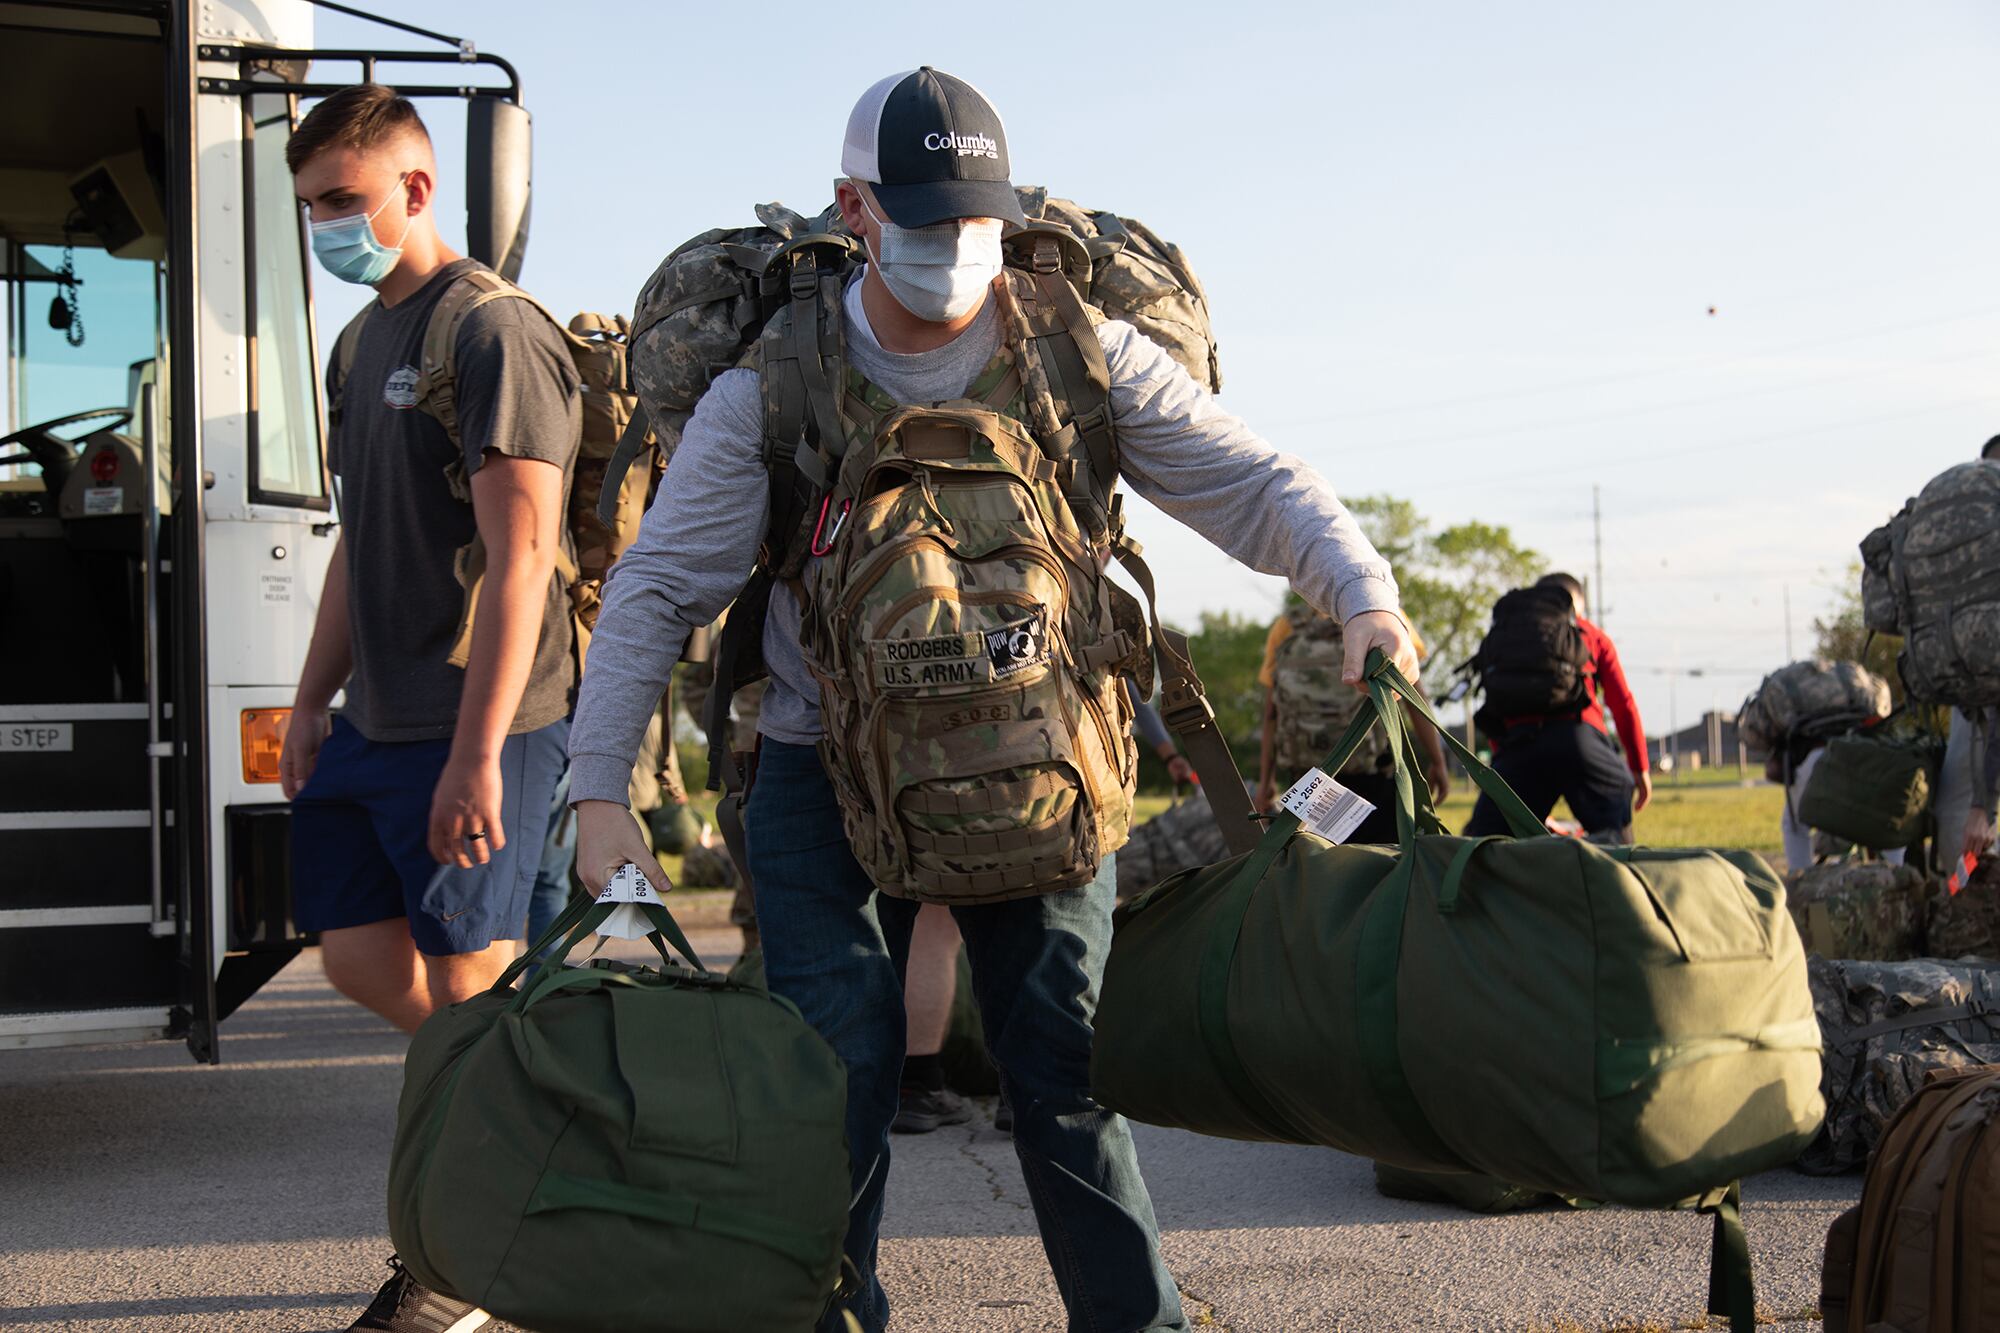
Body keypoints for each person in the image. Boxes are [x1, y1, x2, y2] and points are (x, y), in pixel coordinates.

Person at [568, 68, 1418, 1333]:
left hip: (1043, 762)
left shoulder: (1077, 351)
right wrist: (596, 790)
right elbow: (653, 587)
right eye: (916, 216)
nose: (948, 246)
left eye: (972, 216)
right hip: (818, 761)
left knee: (1068, 1068)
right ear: (852, 208)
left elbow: (1256, 483)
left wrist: (1361, 595)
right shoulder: (775, 382)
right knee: (835, 1066)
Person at [277, 84, 579, 1333]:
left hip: (484, 724)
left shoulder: (492, 332)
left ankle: (459, 1268)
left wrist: (477, 758)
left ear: (415, 189)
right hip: (376, 723)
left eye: (344, 201)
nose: (328, 227)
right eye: (308, 210)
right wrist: (309, 702)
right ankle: (547, 1110)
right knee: (358, 957)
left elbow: (522, 556)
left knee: (465, 997)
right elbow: (358, 543)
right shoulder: (358, 345)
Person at [1464, 572, 1651, 842]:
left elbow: (1496, 706)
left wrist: (1506, 767)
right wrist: (1639, 767)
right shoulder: (1591, 634)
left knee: (1489, 845)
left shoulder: (1509, 635)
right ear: (1577, 604)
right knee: (1616, 840)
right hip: (1578, 739)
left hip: (1518, 747)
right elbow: (1623, 705)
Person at [1255, 601, 1449, 840]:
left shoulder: (1287, 626)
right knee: (1384, 863)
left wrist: (1267, 780)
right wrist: (1437, 760)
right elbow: (1413, 697)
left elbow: (1271, 715)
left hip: (1310, 780)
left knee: (1320, 863)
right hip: (1373, 776)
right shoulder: (1387, 616)